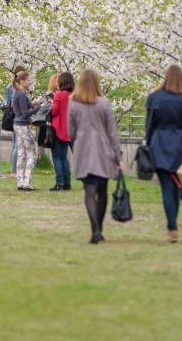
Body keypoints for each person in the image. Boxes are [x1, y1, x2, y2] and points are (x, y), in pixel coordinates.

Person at [68, 69, 121, 243]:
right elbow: (112, 131)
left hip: (83, 148)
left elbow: (71, 130)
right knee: (102, 190)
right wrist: (117, 154)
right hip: (102, 148)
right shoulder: (104, 103)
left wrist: (78, 138)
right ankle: (99, 228)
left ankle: (95, 229)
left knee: (89, 191)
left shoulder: (74, 103)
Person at [145, 64, 182, 243]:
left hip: (158, 143)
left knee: (167, 185)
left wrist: (148, 144)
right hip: (179, 145)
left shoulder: (154, 98)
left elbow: (149, 125)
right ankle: (173, 224)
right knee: (176, 186)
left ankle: (172, 226)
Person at [11, 70, 39, 191]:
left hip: (17, 125)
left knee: (21, 154)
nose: (29, 81)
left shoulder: (16, 93)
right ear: (22, 81)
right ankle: (27, 182)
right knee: (32, 153)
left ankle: (20, 182)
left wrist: (32, 104)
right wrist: (38, 108)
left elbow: (22, 108)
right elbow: (25, 113)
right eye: (27, 80)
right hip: (23, 126)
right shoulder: (21, 94)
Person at [49, 71, 75, 191]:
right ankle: (67, 183)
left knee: (57, 157)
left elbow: (54, 111)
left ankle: (60, 183)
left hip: (57, 129)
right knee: (64, 157)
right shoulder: (74, 96)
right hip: (68, 131)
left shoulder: (59, 95)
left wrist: (49, 106)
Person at [5, 65, 26, 177]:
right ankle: (14, 170)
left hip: (12, 116)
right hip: (18, 117)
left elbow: (7, 103)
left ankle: (13, 168)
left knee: (14, 144)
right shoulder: (16, 89)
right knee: (18, 145)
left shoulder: (9, 86)